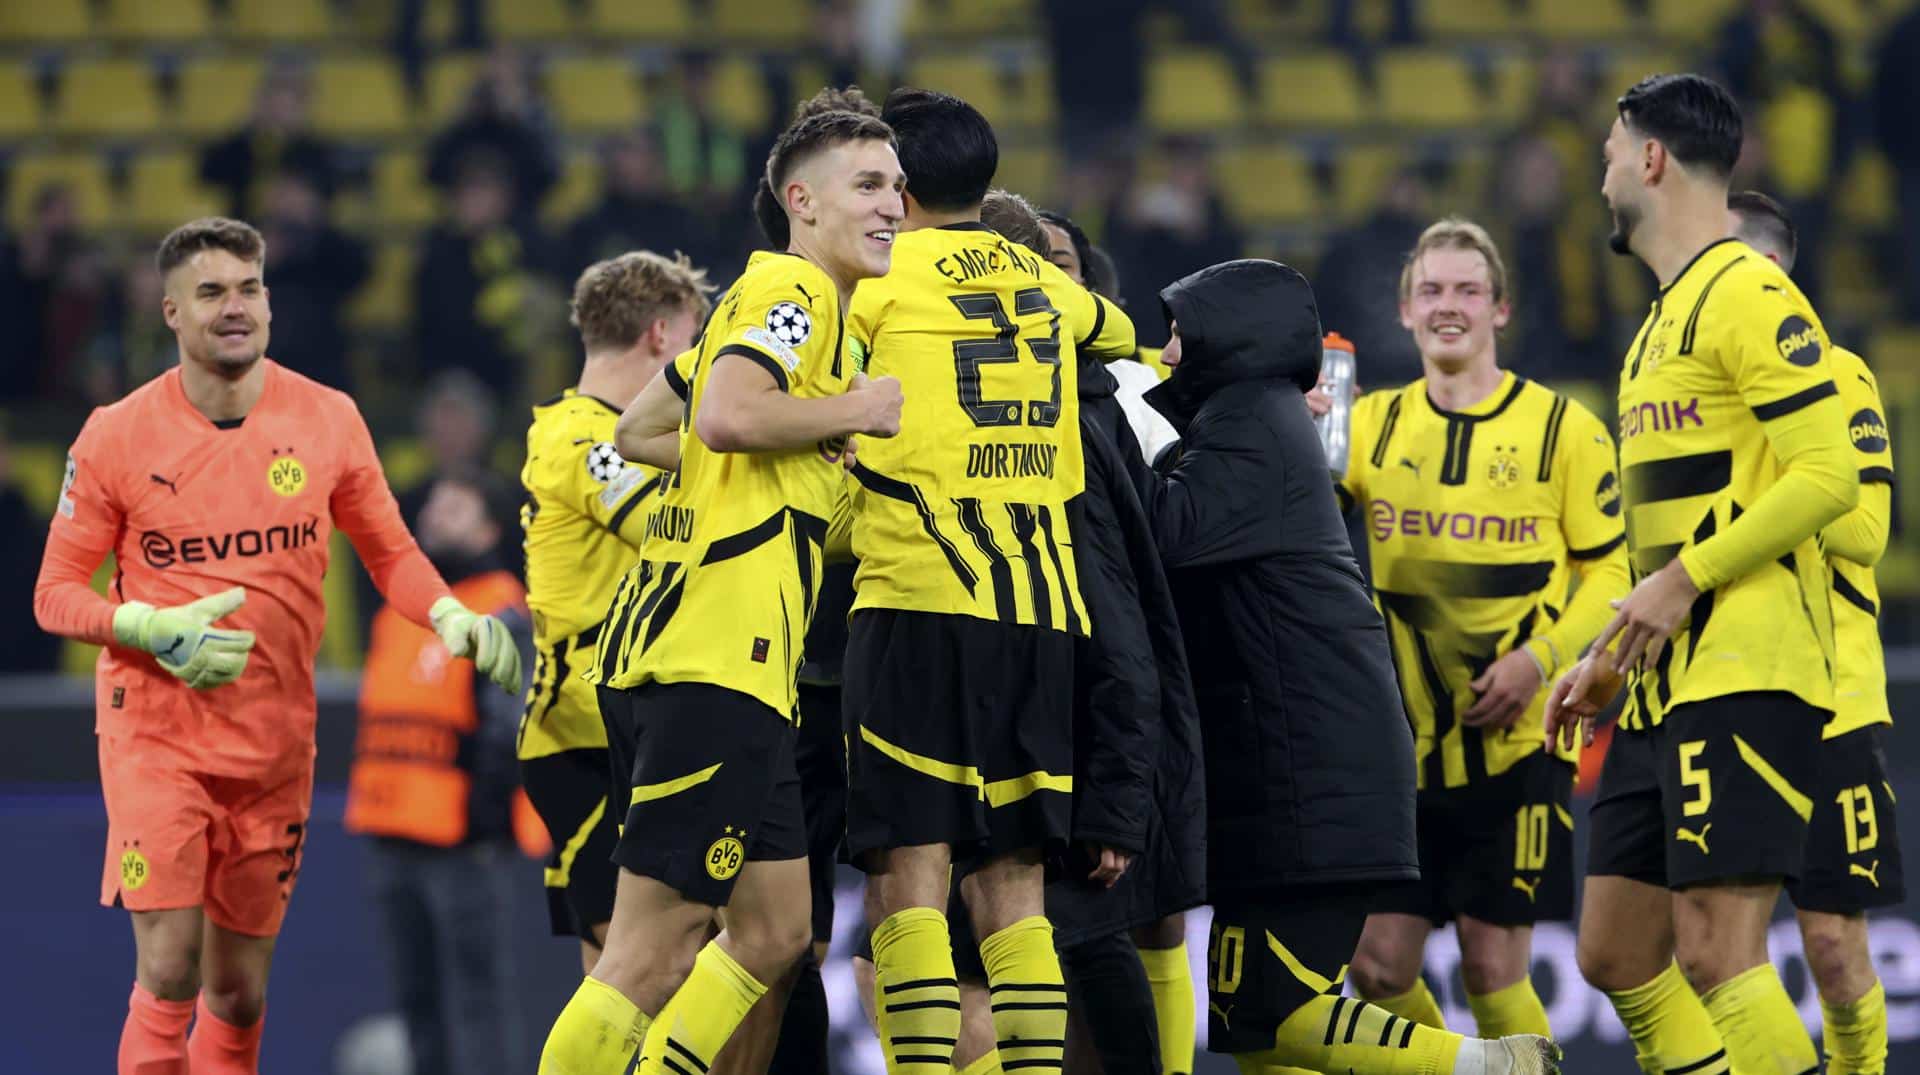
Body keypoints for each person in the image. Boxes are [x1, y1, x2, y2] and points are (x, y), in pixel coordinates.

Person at [32, 217, 521, 1075]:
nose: (237, 307)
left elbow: (391, 552)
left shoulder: (327, 419)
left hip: (274, 740)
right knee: (171, 964)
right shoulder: (114, 434)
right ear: (172, 312)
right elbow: (54, 593)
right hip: (155, 731)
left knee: (238, 991)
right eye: (213, 291)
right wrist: (145, 627)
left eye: (250, 288)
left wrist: (449, 616)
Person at [535, 102, 906, 1075]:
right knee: (648, 952)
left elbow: (643, 431)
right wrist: (854, 410)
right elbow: (733, 415)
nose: (892, 206)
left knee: (777, 929)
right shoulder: (794, 288)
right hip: (712, 660)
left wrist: (807, 428)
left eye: (897, 188)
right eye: (867, 185)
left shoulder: (765, 314)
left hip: (716, 663)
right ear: (802, 200)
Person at [1137, 257, 1560, 1074]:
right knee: (1250, 1024)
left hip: (1313, 770)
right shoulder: (1247, 418)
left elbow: (1163, 529)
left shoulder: (1256, 421)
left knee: (1278, 1012)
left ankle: (1485, 1067)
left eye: (1181, 332)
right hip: (1286, 766)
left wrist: (1092, 414)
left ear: (1236, 336)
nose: (1167, 354)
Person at [1547, 74, 1859, 1075]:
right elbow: (1666, 538)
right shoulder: (1655, 327)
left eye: (1607, 155)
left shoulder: (1750, 290)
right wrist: (1612, 656)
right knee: (1613, 950)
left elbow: (1831, 472)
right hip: (1661, 683)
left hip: (1747, 666)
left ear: (1650, 160)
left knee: (1720, 950)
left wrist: (1684, 583)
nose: (1599, 179)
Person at [839, 87, 1135, 1075]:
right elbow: (1124, 335)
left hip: (921, 598)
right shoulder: (1048, 284)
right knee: (1014, 890)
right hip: (1042, 613)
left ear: (904, 183)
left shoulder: (872, 284)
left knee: (910, 881)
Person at [1341, 219, 1630, 1040]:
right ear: (1403, 311)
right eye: (1430, 290)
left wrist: (1539, 662)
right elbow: (1307, 529)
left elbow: (1612, 573)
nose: (1448, 306)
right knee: (1378, 967)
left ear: (1500, 309)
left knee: (1492, 962)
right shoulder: (1369, 427)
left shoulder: (1564, 429)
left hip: (1521, 747)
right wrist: (1307, 428)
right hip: (1406, 754)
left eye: (1468, 290)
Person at [1729, 191, 1901, 1075]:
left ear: (1773, 271)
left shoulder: (1839, 374)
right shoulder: (1693, 388)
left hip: (1831, 695)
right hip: (1726, 688)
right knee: (1717, 940)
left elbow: (1868, 531)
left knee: (1831, 942)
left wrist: (1775, 496)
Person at [519, 250, 710, 975]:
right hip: (584, 736)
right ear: (660, 336)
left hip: (630, 725)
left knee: (637, 965)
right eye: (692, 342)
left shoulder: (611, 432)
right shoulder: (579, 434)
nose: (695, 365)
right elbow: (667, 525)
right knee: (640, 965)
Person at [345, 468, 534, 1075]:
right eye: (435, 506)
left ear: (489, 528)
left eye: (456, 507)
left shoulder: (501, 610)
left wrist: (484, 820)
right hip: (392, 832)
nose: (435, 517)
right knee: (416, 1003)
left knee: (478, 1003)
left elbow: (508, 727)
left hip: (460, 845)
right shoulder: (402, 609)